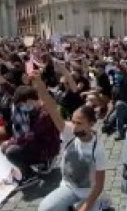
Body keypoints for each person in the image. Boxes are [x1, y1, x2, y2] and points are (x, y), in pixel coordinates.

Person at [33, 73, 108, 211]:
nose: (74, 127)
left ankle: (102, 205)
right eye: (73, 122)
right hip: (69, 187)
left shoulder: (98, 149)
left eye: (79, 123)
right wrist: (39, 84)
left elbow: (98, 186)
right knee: (44, 208)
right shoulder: (69, 133)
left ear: (91, 124)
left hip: (89, 193)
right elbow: (51, 108)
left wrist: (85, 207)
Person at [1, 85, 60, 189]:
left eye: (21, 104)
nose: (20, 107)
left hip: (46, 148)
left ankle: (30, 175)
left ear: (29, 101)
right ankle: (35, 165)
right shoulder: (33, 110)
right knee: (8, 147)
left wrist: (11, 142)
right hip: (38, 143)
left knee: (11, 152)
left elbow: (30, 135)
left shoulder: (43, 114)